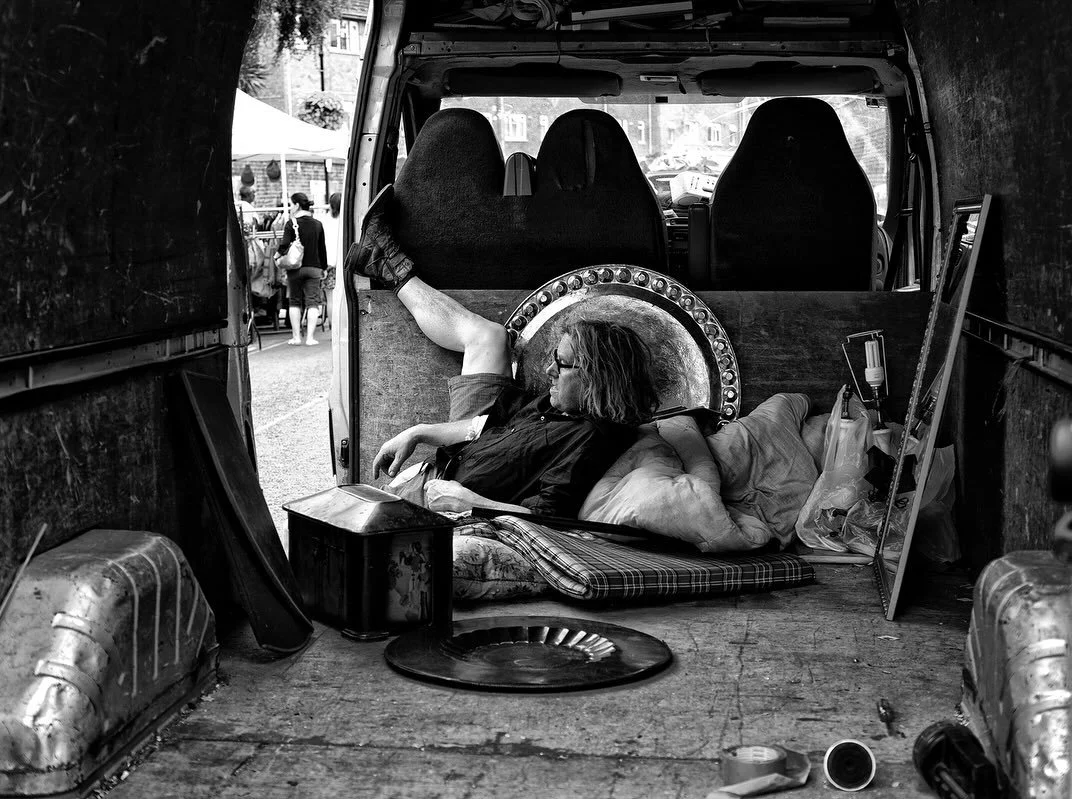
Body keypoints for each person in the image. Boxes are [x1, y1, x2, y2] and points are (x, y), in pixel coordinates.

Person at [349, 186, 659, 518]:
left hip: (441, 496)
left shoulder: (588, 443)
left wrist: (469, 503)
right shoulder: (558, 405)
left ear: (597, 378)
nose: (549, 372)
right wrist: (419, 432)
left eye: (561, 364)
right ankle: (383, 260)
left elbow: (547, 517)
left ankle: (383, 259)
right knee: (490, 337)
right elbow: (481, 427)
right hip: (448, 463)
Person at [277, 192, 328, 345]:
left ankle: (296, 337)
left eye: (291, 204)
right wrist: (324, 267)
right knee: (313, 302)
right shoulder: (318, 224)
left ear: (297, 205)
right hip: (314, 268)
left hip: (295, 269)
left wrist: (276, 256)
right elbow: (322, 249)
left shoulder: (291, 223)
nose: (290, 207)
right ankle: (310, 338)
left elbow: (284, 245)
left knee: (294, 301)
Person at [319, 192, 342, 332]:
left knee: (330, 299)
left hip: (328, 263)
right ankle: (342, 326)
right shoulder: (345, 220)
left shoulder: (324, 220)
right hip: (343, 262)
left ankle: (334, 328)